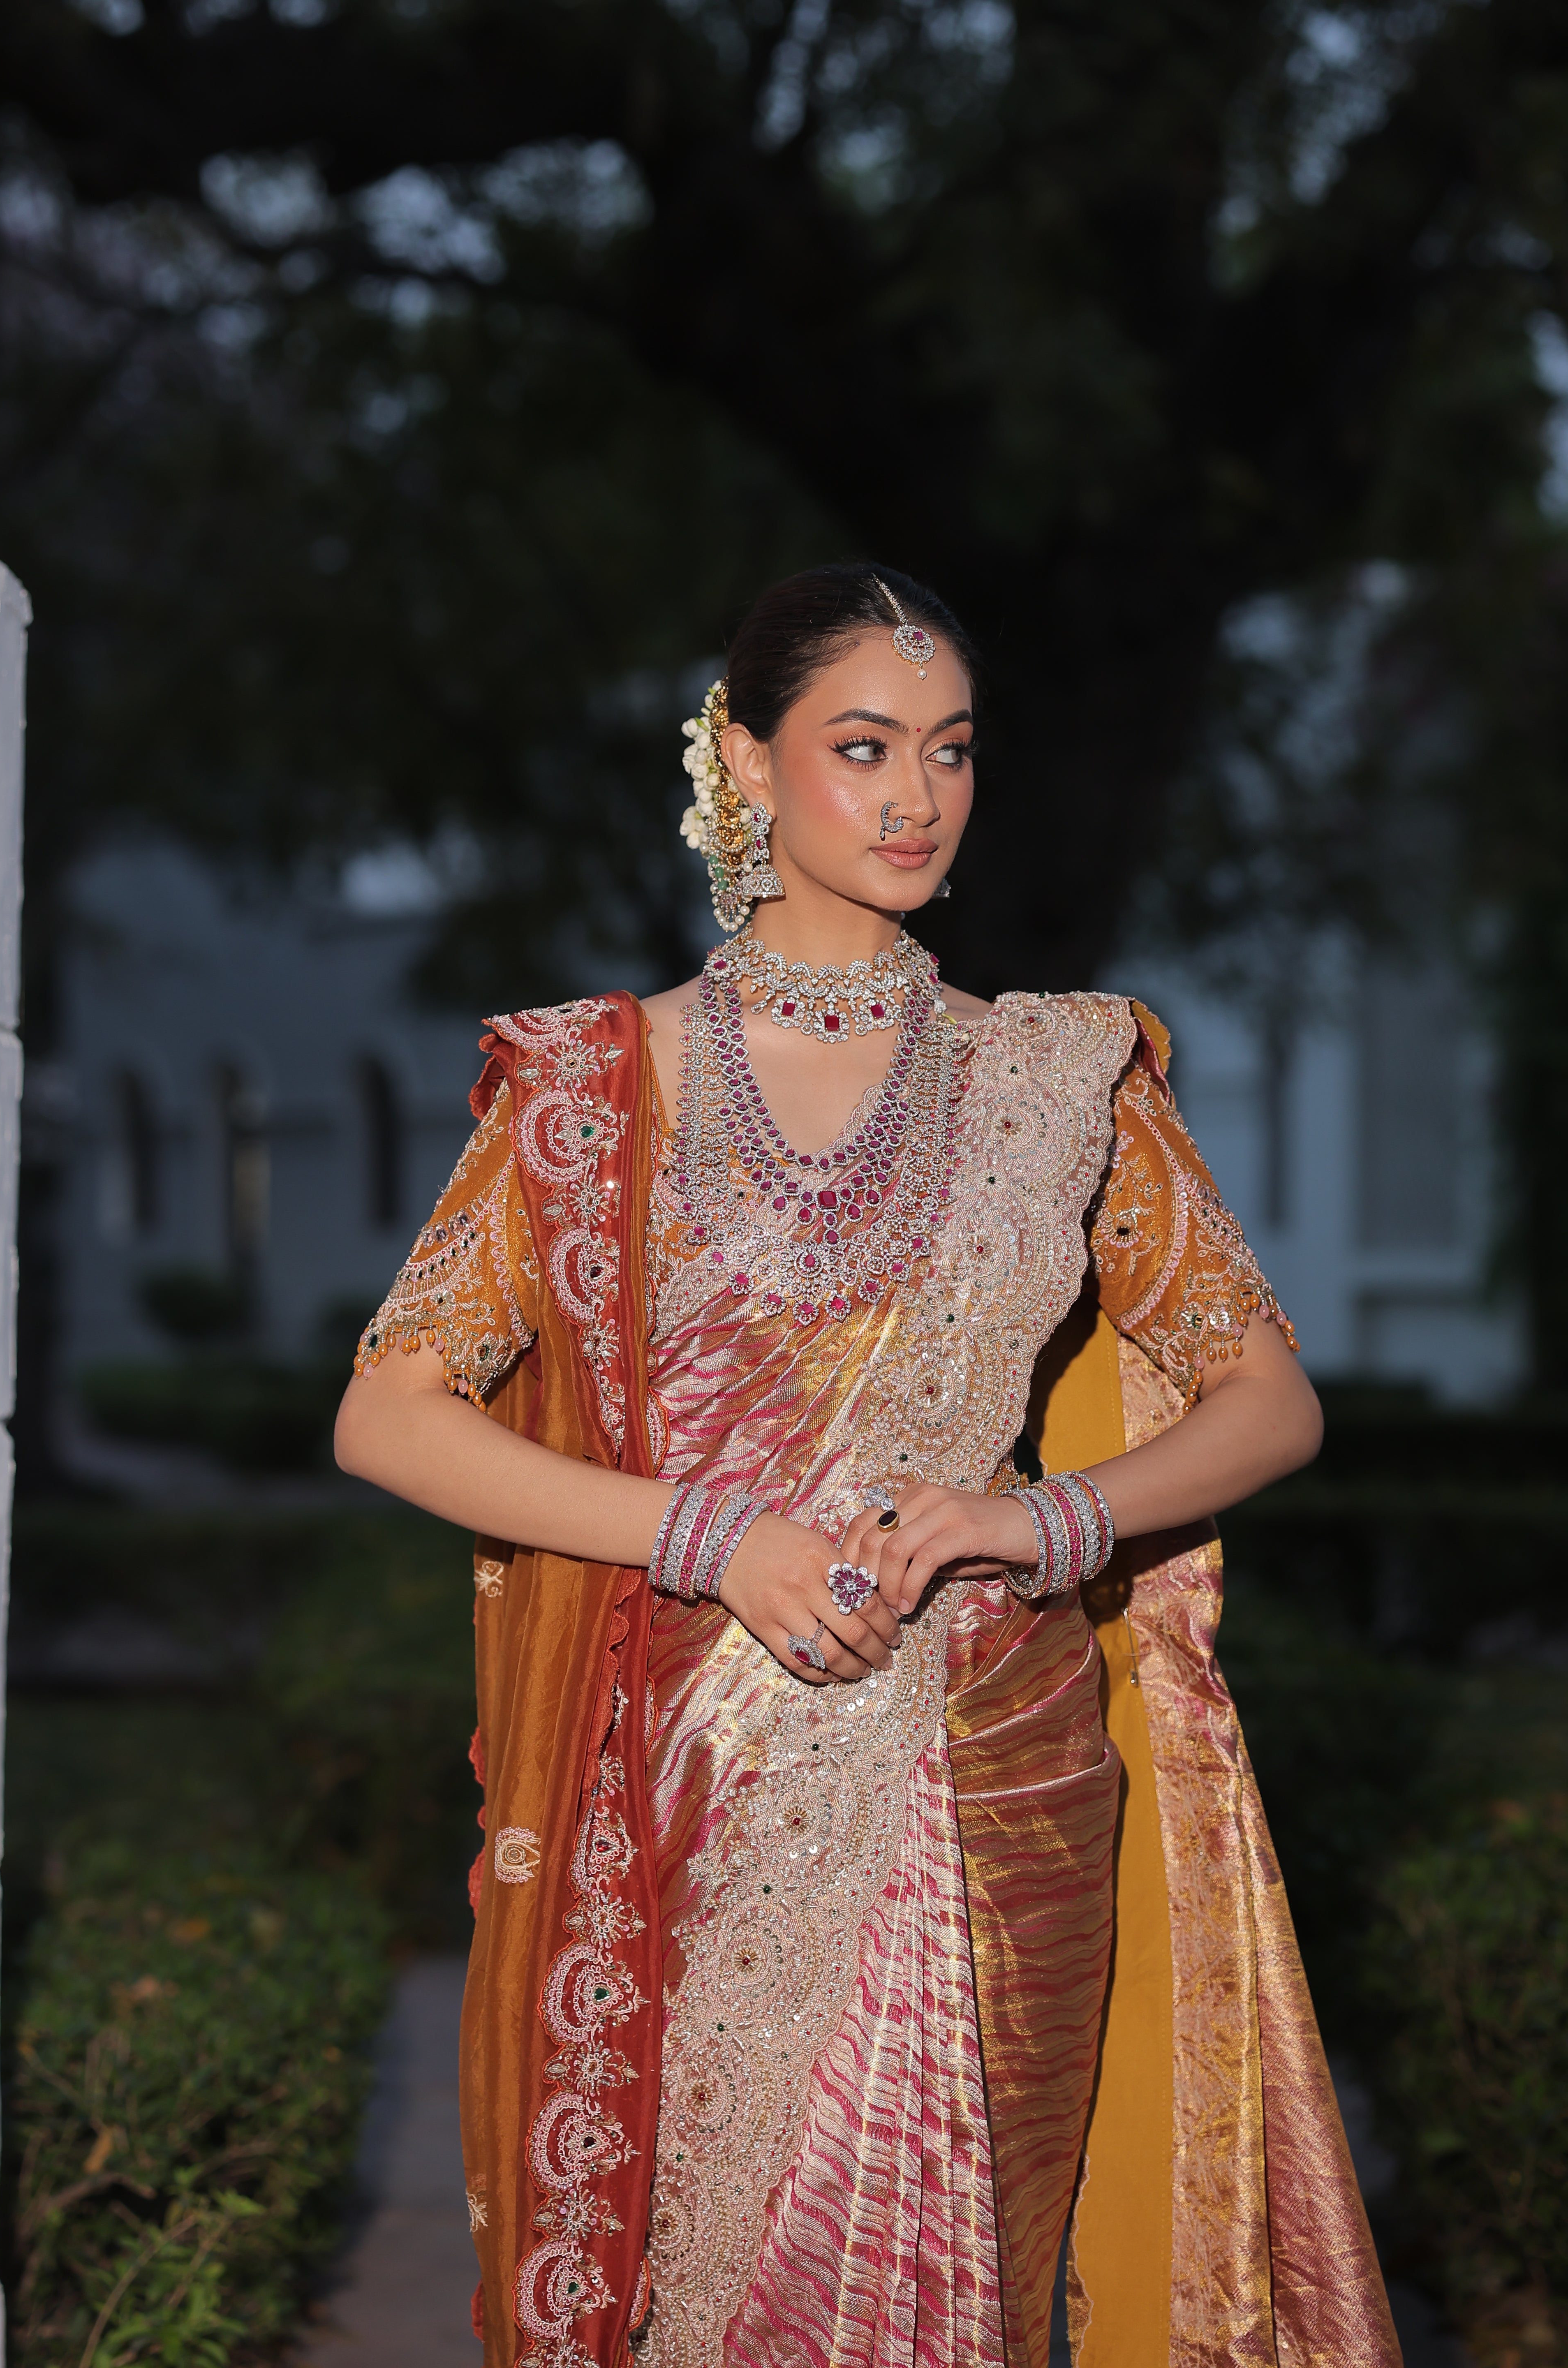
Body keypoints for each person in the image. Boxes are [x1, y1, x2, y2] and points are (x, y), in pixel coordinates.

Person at [335, 564, 1399, 2368]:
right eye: (863, 747)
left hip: (1004, 1785)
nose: (918, 797)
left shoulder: (1061, 1080)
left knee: (978, 2292)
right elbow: (393, 1409)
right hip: (685, 1801)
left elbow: (1265, 1398)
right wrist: (705, 1534)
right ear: (743, 763)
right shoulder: (595, 1089)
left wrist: (1036, 1516)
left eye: (953, 752)